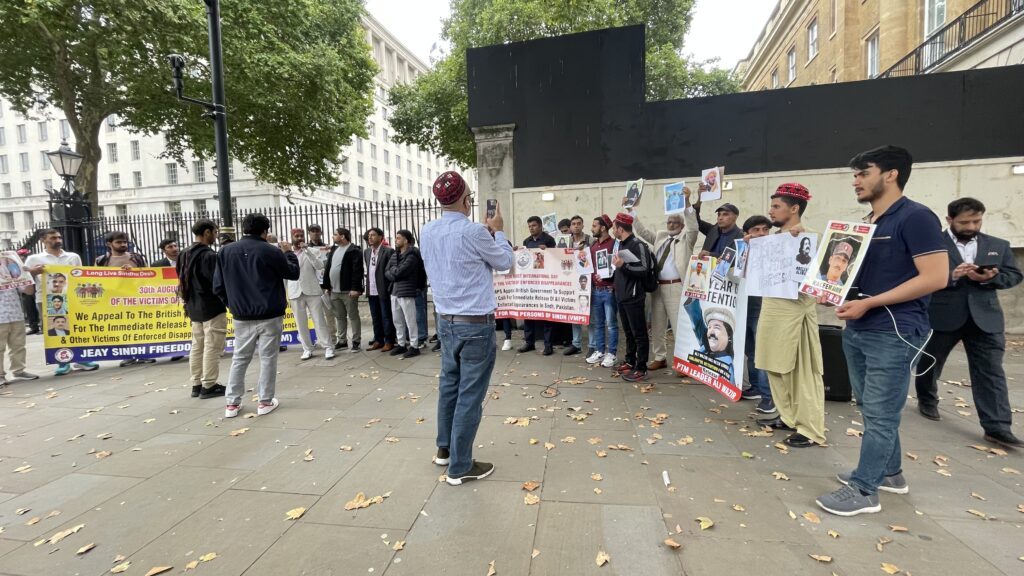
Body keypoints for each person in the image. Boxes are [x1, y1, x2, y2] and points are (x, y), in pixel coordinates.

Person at [815, 145, 948, 517]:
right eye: (854, 174)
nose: (856, 181)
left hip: (895, 330)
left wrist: (871, 303)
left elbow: (936, 277)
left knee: (881, 412)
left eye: (863, 172)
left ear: (891, 174)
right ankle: (890, 474)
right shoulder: (866, 223)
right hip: (859, 325)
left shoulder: (916, 218)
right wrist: (833, 293)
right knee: (870, 408)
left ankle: (864, 489)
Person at [420, 172, 513, 485]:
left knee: (449, 385)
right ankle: (460, 466)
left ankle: (444, 450)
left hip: (445, 320)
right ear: (464, 200)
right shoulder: (475, 232)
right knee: (469, 394)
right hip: (475, 323)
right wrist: (497, 232)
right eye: (470, 196)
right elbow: (504, 263)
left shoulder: (428, 230)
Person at [913, 198, 1022, 446]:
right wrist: (951, 276)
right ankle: (927, 399)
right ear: (949, 220)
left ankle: (997, 427)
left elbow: (1014, 275)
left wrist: (989, 278)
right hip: (943, 314)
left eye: (977, 220)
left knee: (991, 372)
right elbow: (919, 275)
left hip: (986, 318)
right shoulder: (932, 243)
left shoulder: (998, 245)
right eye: (964, 222)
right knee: (930, 362)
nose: (971, 225)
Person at [754, 183, 826, 449]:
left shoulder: (807, 236)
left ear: (794, 209)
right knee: (774, 366)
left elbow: (820, 273)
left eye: (776, 207)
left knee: (800, 372)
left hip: (795, 312)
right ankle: (790, 417)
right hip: (772, 308)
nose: (770, 211)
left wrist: (803, 236)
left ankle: (810, 428)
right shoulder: (774, 240)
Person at [214, 213, 300, 418]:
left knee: (240, 357)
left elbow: (218, 286)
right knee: (268, 357)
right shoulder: (270, 251)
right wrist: (289, 253)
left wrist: (233, 305)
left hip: (242, 314)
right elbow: (292, 273)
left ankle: (232, 404)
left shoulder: (225, 251)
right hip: (270, 311)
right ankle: (265, 400)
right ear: (265, 231)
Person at [632, 186, 699, 371]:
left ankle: (683, 363)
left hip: (676, 287)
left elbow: (693, 226)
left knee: (679, 326)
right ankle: (660, 357)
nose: (671, 225)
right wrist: (631, 211)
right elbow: (643, 232)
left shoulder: (688, 239)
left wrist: (687, 204)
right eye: (669, 222)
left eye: (675, 222)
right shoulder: (661, 236)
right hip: (657, 287)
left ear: (681, 225)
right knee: (658, 325)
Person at [24, 229, 99, 376]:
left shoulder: (73, 256)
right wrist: (33, 272)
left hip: (72, 297)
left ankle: (80, 358)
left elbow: (80, 276)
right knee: (57, 330)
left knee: (77, 327)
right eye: (53, 238)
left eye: (59, 237)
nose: (57, 240)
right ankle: (63, 361)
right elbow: (25, 278)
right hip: (47, 299)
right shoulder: (34, 259)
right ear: (43, 240)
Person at [176, 218, 228, 399]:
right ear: (207, 232)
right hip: (211, 306)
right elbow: (218, 283)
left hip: (193, 306)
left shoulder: (183, 253)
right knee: (212, 346)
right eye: (215, 232)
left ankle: (196, 383)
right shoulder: (210, 256)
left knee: (197, 345)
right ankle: (209, 384)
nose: (216, 235)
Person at [97, 231, 156, 367]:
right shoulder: (102, 261)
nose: (123, 244)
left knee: (140, 327)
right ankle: (128, 355)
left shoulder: (136, 258)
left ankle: (143, 353)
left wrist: (134, 272)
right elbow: (98, 281)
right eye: (119, 242)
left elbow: (148, 276)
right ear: (109, 244)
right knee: (122, 328)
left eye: (124, 242)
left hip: (137, 299)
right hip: (115, 302)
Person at [610, 212, 652, 382]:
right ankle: (630, 361)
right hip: (622, 295)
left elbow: (644, 270)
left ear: (620, 228)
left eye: (614, 228)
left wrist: (623, 265)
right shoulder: (621, 244)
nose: (613, 231)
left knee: (639, 333)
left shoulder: (638, 245)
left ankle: (641, 368)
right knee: (628, 332)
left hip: (634, 296)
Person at [740, 215, 776, 414]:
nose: (761, 234)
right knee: (751, 351)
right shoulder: (742, 249)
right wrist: (742, 249)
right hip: (743, 307)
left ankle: (768, 396)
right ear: (747, 234)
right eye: (756, 230)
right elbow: (726, 270)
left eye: (765, 230)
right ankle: (755, 387)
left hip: (763, 307)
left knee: (762, 353)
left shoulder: (774, 250)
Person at [287, 228, 336, 361]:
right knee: (300, 323)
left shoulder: (313, 251)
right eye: (296, 236)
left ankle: (328, 347)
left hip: (312, 291)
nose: (299, 238)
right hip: (295, 292)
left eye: (301, 236)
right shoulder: (287, 253)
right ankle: (307, 348)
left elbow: (320, 266)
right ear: (292, 237)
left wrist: (307, 250)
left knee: (319, 320)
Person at [322, 227, 364, 353]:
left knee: (353, 316)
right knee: (339, 317)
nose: (333, 237)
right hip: (334, 291)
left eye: (335, 234)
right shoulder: (334, 249)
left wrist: (355, 288)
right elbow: (328, 267)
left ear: (342, 236)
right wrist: (327, 286)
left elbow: (358, 271)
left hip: (348, 291)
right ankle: (342, 341)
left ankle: (356, 341)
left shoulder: (354, 250)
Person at [385, 229, 425, 359]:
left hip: (407, 291)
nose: (396, 240)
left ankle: (414, 346)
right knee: (397, 320)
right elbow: (387, 271)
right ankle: (401, 344)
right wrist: (394, 272)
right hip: (394, 291)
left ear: (406, 240)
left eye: (398, 238)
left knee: (410, 320)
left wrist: (393, 272)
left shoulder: (412, 255)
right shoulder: (395, 254)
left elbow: (399, 272)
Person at [519, 216, 556, 355]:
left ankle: (548, 345)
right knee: (528, 313)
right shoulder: (527, 241)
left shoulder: (549, 240)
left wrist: (547, 250)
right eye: (529, 226)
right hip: (531, 282)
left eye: (534, 225)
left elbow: (556, 258)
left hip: (545, 282)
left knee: (546, 315)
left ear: (540, 226)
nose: (531, 228)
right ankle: (529, 343)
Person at [586, 215, 619, 368]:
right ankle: (600, 350)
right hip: (596, 289)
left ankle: (611, 353)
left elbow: (617, 266)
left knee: (611, 324)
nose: (592, 229)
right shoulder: (593, 246)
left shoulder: (614, 244)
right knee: (598, 323)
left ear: (603, 228)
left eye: (594, 225)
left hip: (609, 290)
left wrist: (613, 283)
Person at [562, 215, 593, 357]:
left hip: (586, 281)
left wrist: (581, 252)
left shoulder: (590, 240)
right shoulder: (566, 241)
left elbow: (593, 258)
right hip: (570, 282)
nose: (576, 226)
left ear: (583, 225)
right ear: (570, 227)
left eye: (578, 223)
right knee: (574, 314)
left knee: (588, 314)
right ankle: (576, 344)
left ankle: (592, 345)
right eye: (573, 224)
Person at [1, 273, 40, 385]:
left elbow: (29, 291)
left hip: (15, 314)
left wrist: (25, 276)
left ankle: (18, 371)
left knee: (18, 346)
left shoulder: (12, 272)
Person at [364, 228, 396, 352]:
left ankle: (389, 341)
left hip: (383, 289)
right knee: (375, 317)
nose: (370, 237)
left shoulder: (388, 251)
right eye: (369, 235)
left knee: (386, 316)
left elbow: (390, 271)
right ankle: (378, 340)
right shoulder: (367, 252)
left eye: (373, 235)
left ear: (381, 237)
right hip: (371, 289)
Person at [306, 224, 338, 345]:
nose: (315, 233)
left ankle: (333, 338)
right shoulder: (305, 248)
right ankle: (320, 339)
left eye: (317, 231)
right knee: (315, 314)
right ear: (309, 233)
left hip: (324, 284)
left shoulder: (327, 247)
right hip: (311, 284)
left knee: (329, 312)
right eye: (312, 231)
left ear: (321, 232)